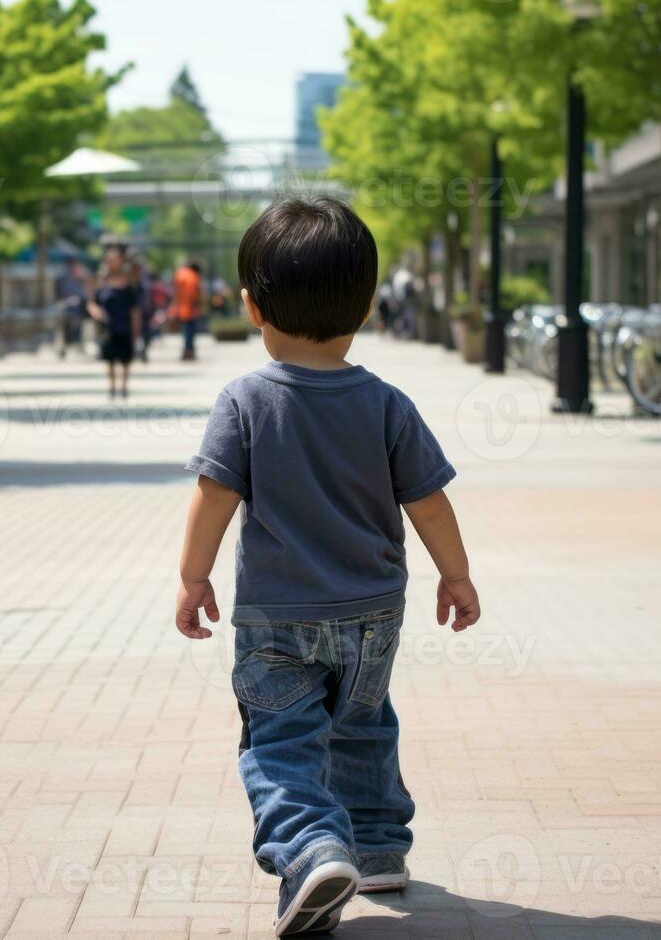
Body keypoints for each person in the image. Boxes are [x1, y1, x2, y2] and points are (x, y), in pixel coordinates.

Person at [173, 197, 480, 937]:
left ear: (251, 306)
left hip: (277, 613)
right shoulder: (385, 403)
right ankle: (375, 848)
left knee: (280, 741)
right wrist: (456, 575)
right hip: (373, 609)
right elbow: (429, 503)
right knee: (362, 720)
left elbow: (213, 495)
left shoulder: (245, 400)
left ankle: (309, 848)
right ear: (368, 306)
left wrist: (192, 577)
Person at [87, 244, 141, 399]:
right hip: (107, 326)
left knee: (125, 358)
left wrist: (136, 330)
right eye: (109, 260)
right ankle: (111, 387)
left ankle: (124, 386)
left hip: (124, 323)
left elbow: (134, 308)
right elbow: (91, 302)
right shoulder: (101, 281)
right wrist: (95, 311)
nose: (111, 263)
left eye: (114, 260)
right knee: (109, 357)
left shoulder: (128, 282)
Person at [55, 260, 89, 358]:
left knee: (80, 327)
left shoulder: (82, 278)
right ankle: (63, 348)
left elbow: (88, 292)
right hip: (67, 307)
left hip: (80, 307)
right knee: (64, 328)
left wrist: (85, 278)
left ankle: (79, 346)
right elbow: (59, 293)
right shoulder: (62, 277)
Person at [172, 261, 203, 361]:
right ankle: (189, 352)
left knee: (185, 331)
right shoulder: (193, 277)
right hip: (191, 309)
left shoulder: (181, 273)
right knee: (190, 332)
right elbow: (195, 295)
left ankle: (186, 351)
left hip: (181, 308)